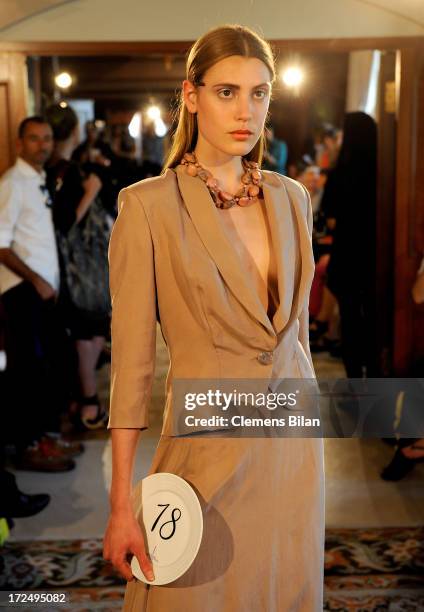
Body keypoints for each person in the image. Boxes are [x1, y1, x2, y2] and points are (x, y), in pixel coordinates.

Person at [103, 24, 324, 611]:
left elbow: (295, 339)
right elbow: (131, 370)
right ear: (192, 95)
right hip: (207, 455)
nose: (245, 110)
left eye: (259, 92)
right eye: (227, 92)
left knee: (283, 590)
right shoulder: (146, 207)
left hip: (291, 451)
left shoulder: (292, 198)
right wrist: (121, 504)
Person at [0, 116, 82, 472]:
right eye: (34, 139)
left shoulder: (40, 180)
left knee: (49, 369)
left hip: (43, 292)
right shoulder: (12, 183)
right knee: (26, 373)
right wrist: (35, 280)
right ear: (21, 143)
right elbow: (0, 244)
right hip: (22, 291)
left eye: (47, 139)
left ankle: (45, 438)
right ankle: (28, 445)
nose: (43, 145)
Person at [45, 105, 110, 430]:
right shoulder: (68, 172)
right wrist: (92, 191)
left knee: (82, 335)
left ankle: (79, 401)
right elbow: (66, 222)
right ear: (74, 132)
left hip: (59, 267)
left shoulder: (49, 169)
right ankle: (88, 403)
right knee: (89, 334)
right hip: (78, 269)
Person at [320, 112, 378, 377]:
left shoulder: (340, 172)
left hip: (347, 252)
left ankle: (354, 380)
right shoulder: (384, 170)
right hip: (375, 253)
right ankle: (376, 371)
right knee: (374, 315)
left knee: (350, 316)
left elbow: (329, 219)